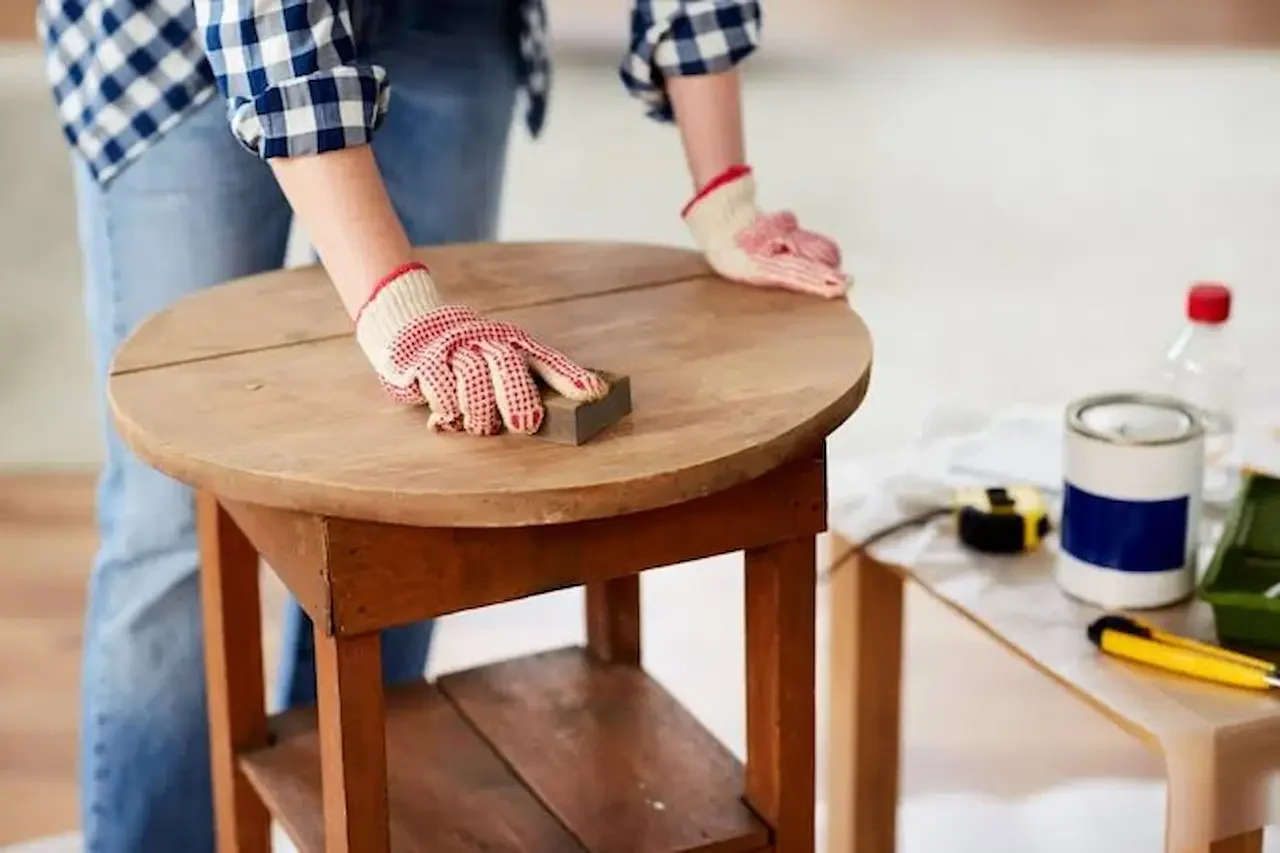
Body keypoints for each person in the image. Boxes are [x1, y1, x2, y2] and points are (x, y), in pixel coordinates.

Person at [36, 0, 851, 848]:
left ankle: (348, 820)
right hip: (172, 45)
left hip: (452, 21)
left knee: (403, 492)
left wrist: (724, 191)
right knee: (172, 520)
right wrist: (396, 302)